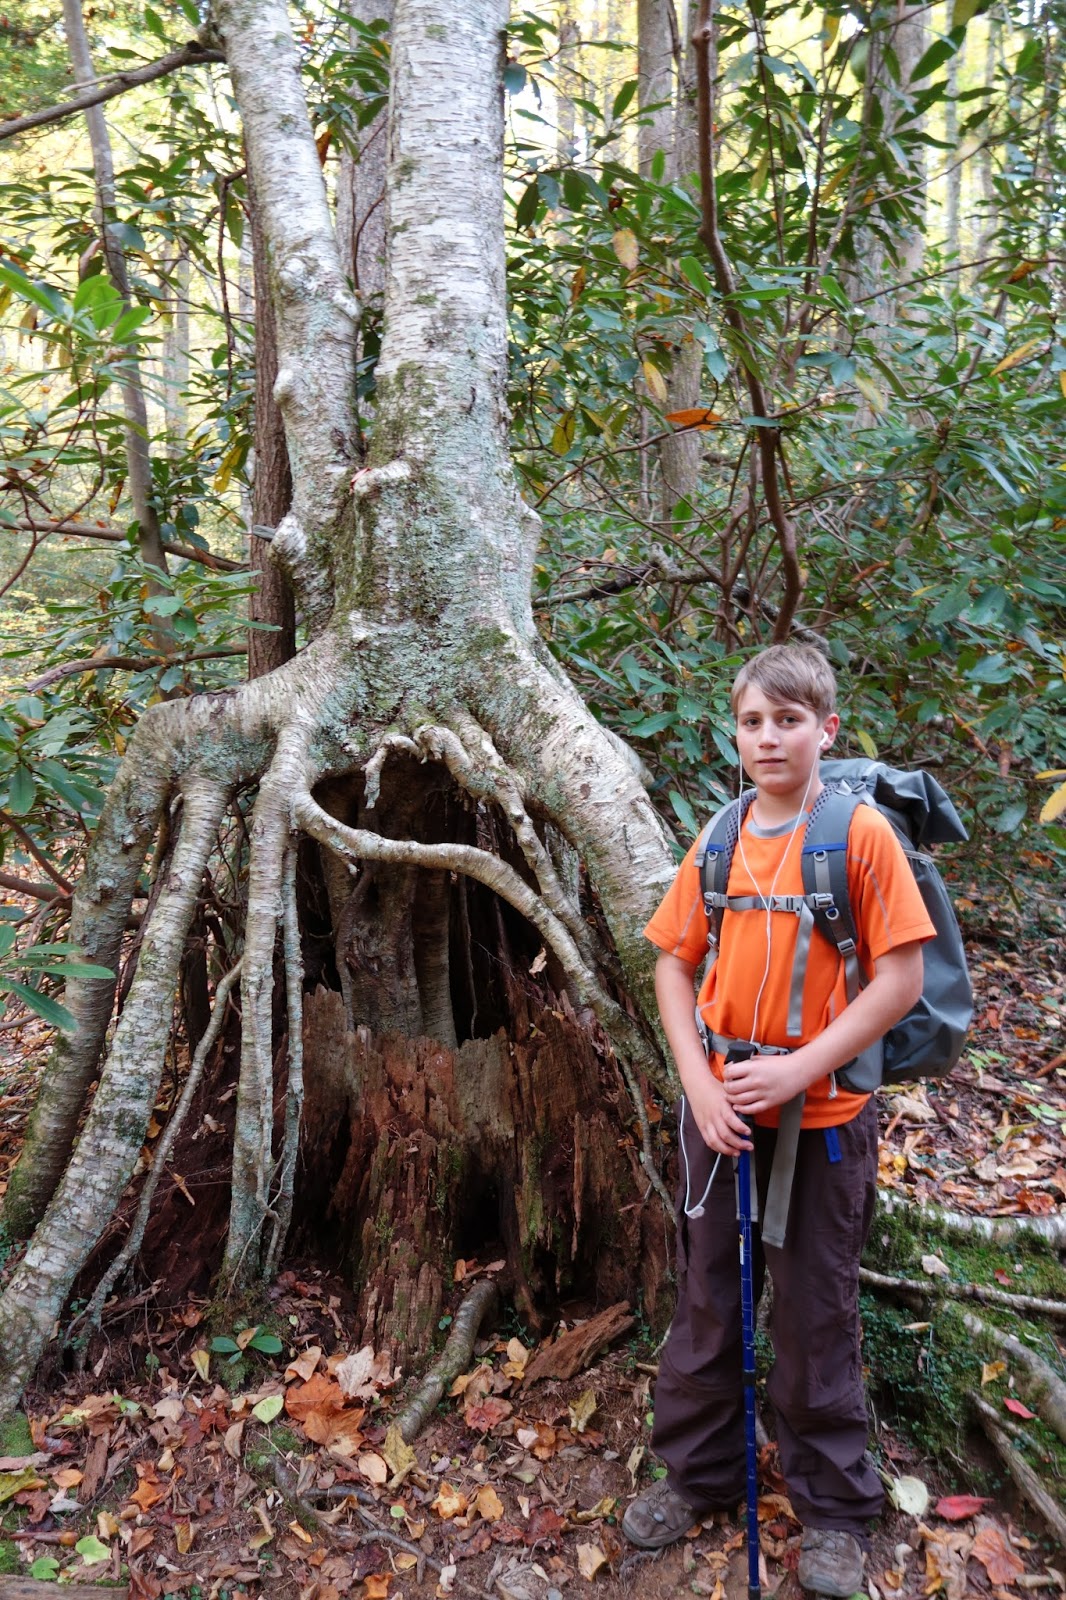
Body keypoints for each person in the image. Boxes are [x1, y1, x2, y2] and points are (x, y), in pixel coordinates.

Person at [623, 644, 935, 1597]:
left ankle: (837, 1509)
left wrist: (801, 1066)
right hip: (718, 1118)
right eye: (754, 721)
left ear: (825, 731)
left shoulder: (857, 837)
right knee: (711, 1295)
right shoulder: (719, 836)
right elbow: (673, 963)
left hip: (825, 1118)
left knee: (812, 1312)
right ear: (736, 731)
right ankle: (700, 1474)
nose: (769, 737)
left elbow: (901, 977)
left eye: (789, 721)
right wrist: (700, 1085)